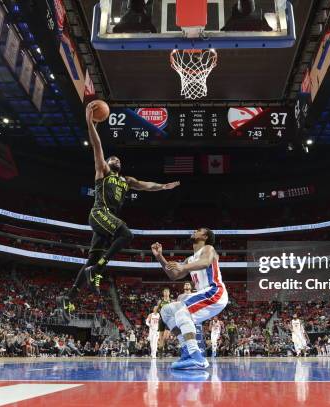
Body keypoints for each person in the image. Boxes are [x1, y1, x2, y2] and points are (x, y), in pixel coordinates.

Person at [61, 102, 180, 311]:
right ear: (107, 162)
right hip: (99, 213)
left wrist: (163, 186)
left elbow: (146, 185)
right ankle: (97, 271)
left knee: (91, 259)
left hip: (106, 223)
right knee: (126, 234)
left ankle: (69, 298)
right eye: (112, 157)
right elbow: (97, 146)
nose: (116, 159)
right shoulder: (103, 171)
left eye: (118, 158)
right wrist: (90, 123)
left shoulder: (127, 180)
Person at [151, 227, 228, 369]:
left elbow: (205, 262)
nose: (194, 230)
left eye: (198, 230)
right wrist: (159, 257)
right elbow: (173, 275)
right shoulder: (190, 259)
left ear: (205, 237)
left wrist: (183, 267)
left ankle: (198, 357)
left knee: (182, 311)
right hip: (204, 295)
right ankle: (187, 351)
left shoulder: (208, 249)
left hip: (214, 291)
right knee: (166, 311)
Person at [157, 287, 172, 357]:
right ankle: (160, 353)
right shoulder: (160, 301)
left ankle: (165, 345)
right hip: (161, 320)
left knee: (165, 337)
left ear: (169, 293)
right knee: (160, 337)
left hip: (169, 320)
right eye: (165, 291)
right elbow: (157, 310)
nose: (166, 293)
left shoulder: (172, 301)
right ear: (163, 293)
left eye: (167, 292)